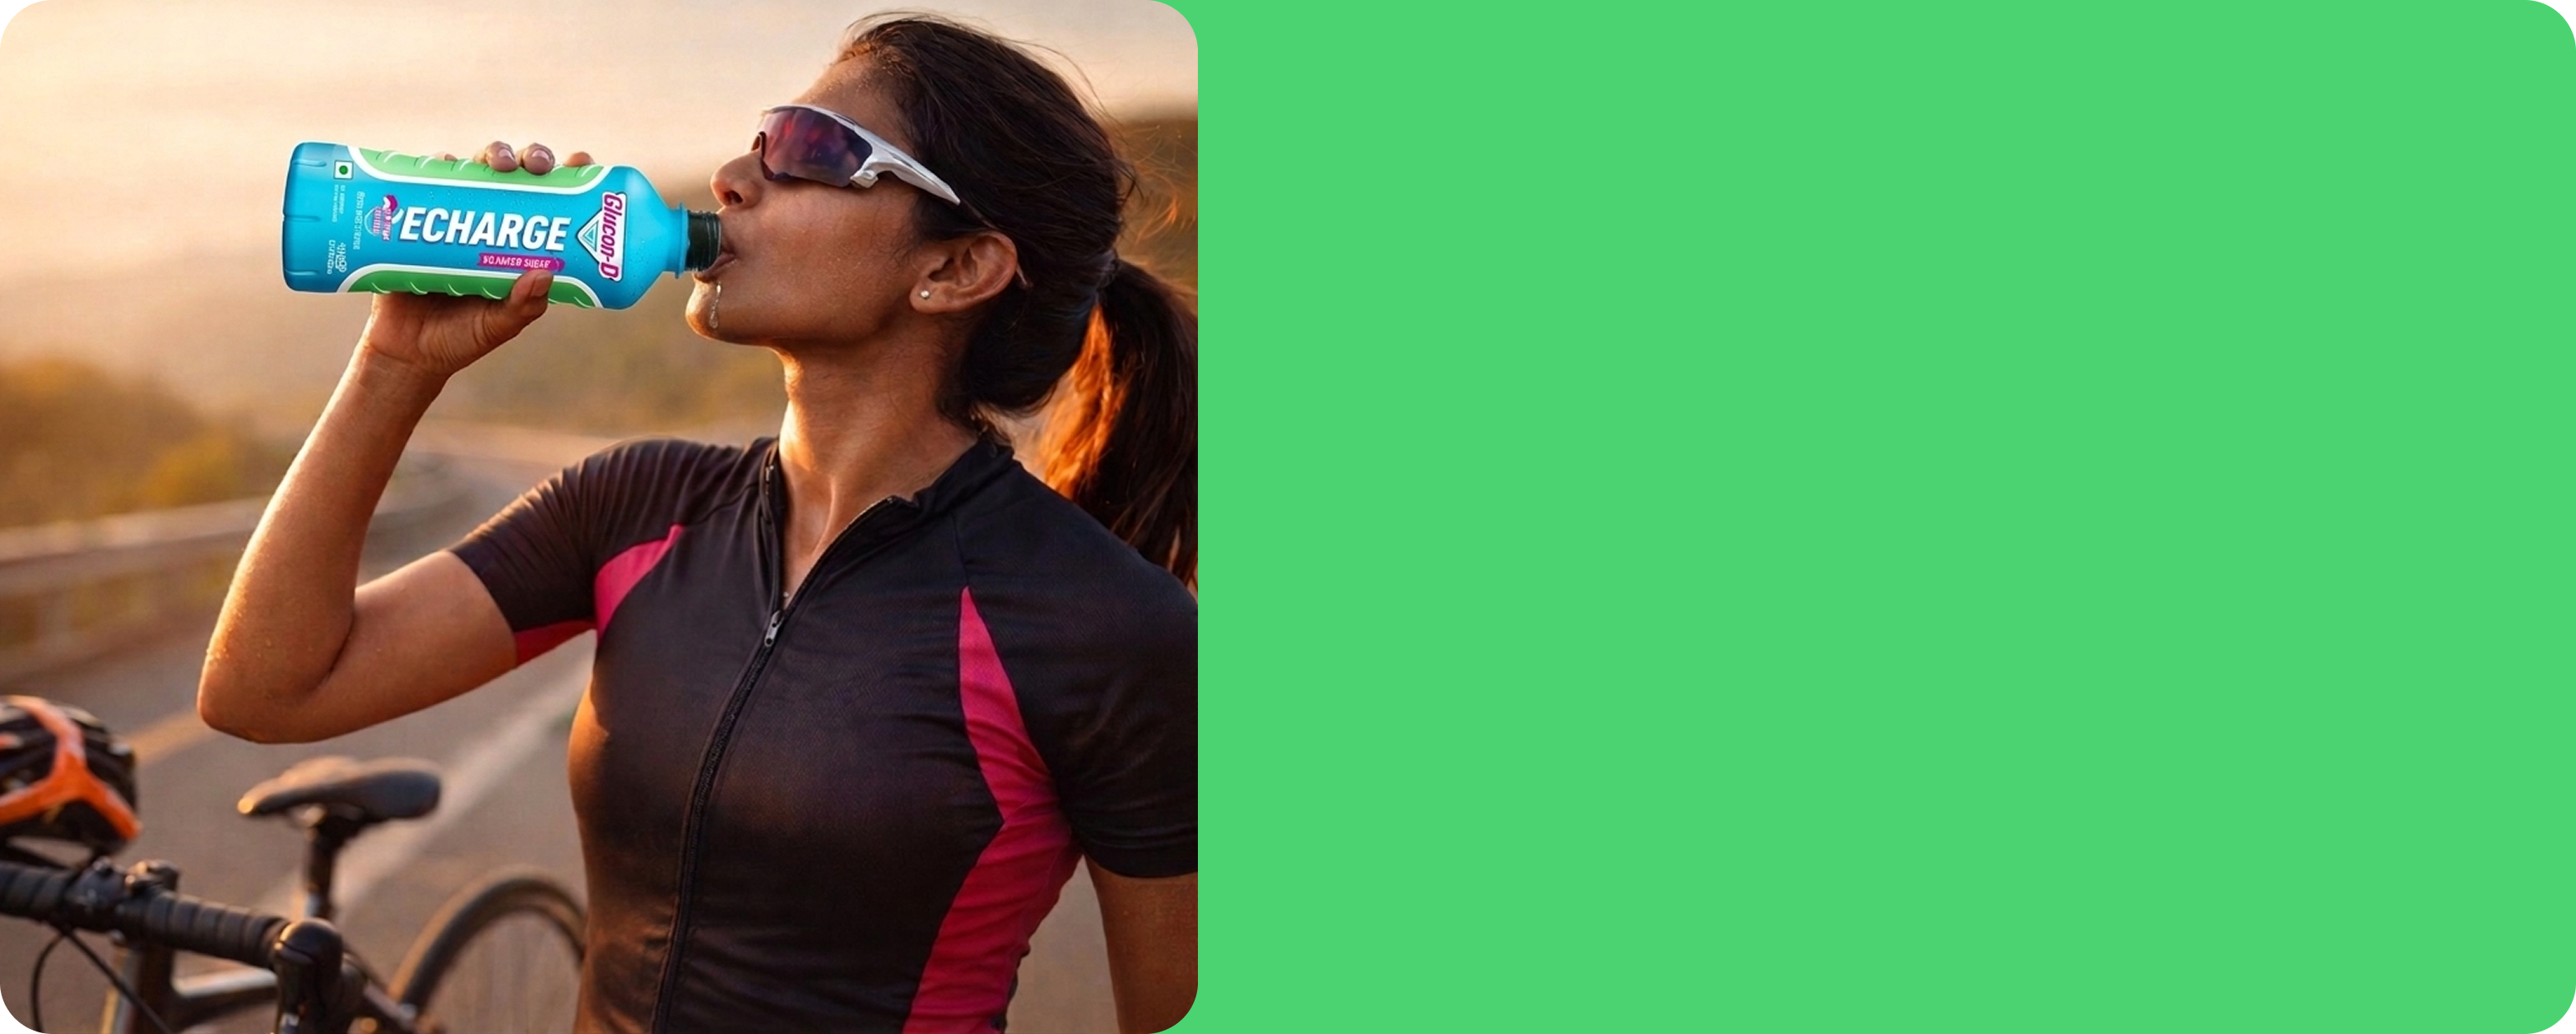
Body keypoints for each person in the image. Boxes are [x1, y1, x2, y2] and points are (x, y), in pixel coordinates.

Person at [197, 15, 1197, 1034]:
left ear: (956, 268)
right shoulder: (633, 503)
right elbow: (266, 689)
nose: (730, 177)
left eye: (811, 149)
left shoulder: (1104, 626)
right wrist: (396, 364)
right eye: (760, 137)